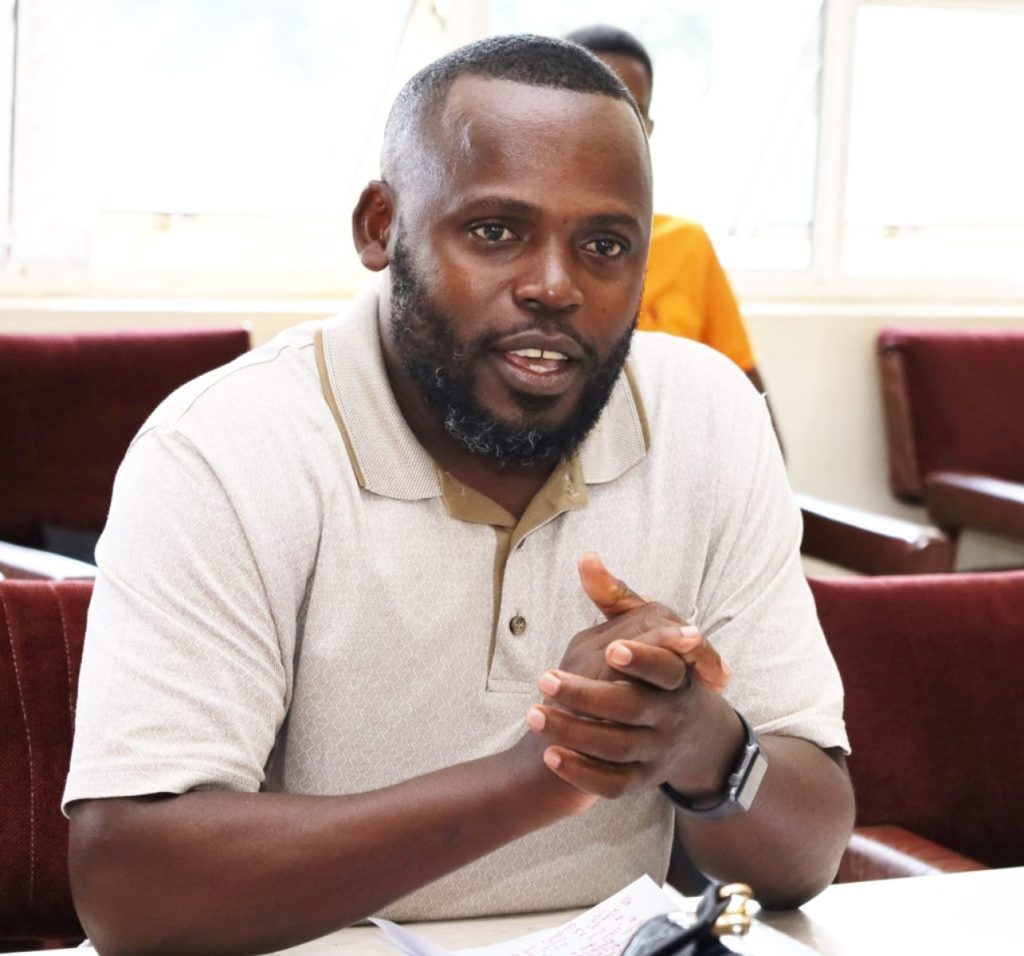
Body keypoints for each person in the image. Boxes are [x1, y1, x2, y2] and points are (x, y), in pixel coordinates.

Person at [63, 35, 853, 956]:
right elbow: (132, 889)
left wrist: (704, 745)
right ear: (380, 226)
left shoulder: (709, 415)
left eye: (604, 245)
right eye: (495, 231)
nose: (555, 286)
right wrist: (540, 776)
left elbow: (807, 852)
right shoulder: (225, 445)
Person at [564, 24, 775, 406]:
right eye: (589, 110)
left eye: (632, 114)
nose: (611, 132)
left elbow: (754, 409)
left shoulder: (687, 245)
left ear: (648, 130)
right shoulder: (519, 252)